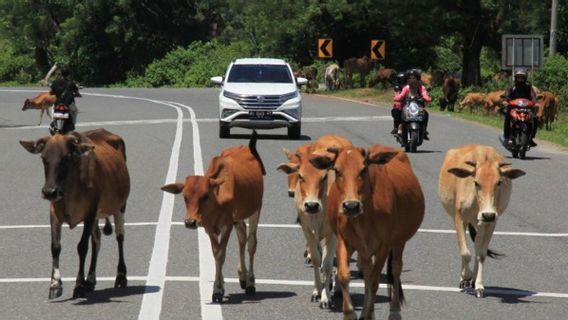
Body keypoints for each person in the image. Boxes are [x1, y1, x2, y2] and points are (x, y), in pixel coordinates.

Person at [501, 67, 538, 147]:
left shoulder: (529, 87)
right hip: (514, 108)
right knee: (507, 116)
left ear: (525, 78)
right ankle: (507, 136)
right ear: (515, 78)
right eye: (518, 77)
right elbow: (507, 96)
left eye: (522, 77)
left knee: (535, 118)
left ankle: (531, 138)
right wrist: (505, 101)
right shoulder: (512, 87)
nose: (520, 79)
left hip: (527, 108)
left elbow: (533, 97)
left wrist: (535, 103)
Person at [393, 69, 432, 139]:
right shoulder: (406, 88)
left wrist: (427, 98)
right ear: (407, 79)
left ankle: (424, 131)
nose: (412, 79)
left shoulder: (421, 87)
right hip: (407, 106)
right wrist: (397, 98)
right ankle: (400, 130)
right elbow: (401, 95)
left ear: (417, 78)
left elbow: (424, 94)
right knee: (401, 115)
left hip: (418, 106)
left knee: (425, 114)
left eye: (413, 78)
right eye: (410, 78)